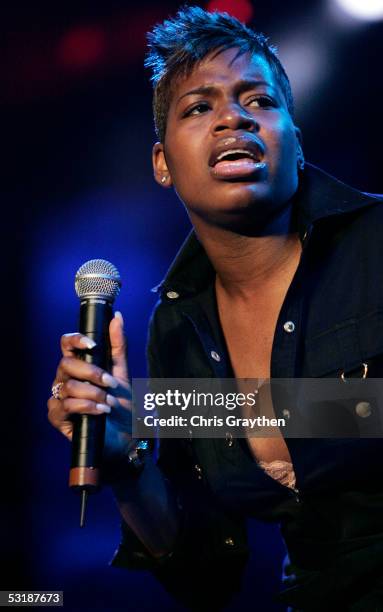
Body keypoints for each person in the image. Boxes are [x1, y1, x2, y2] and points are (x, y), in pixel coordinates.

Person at [47, 6, 383, 611]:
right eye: (199, 108)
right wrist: (129, 457)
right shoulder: (177, 329)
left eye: (258, 101)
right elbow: (205, 573)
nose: (233, 116)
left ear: (296, 143)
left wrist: (209, 410)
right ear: (162, 164)